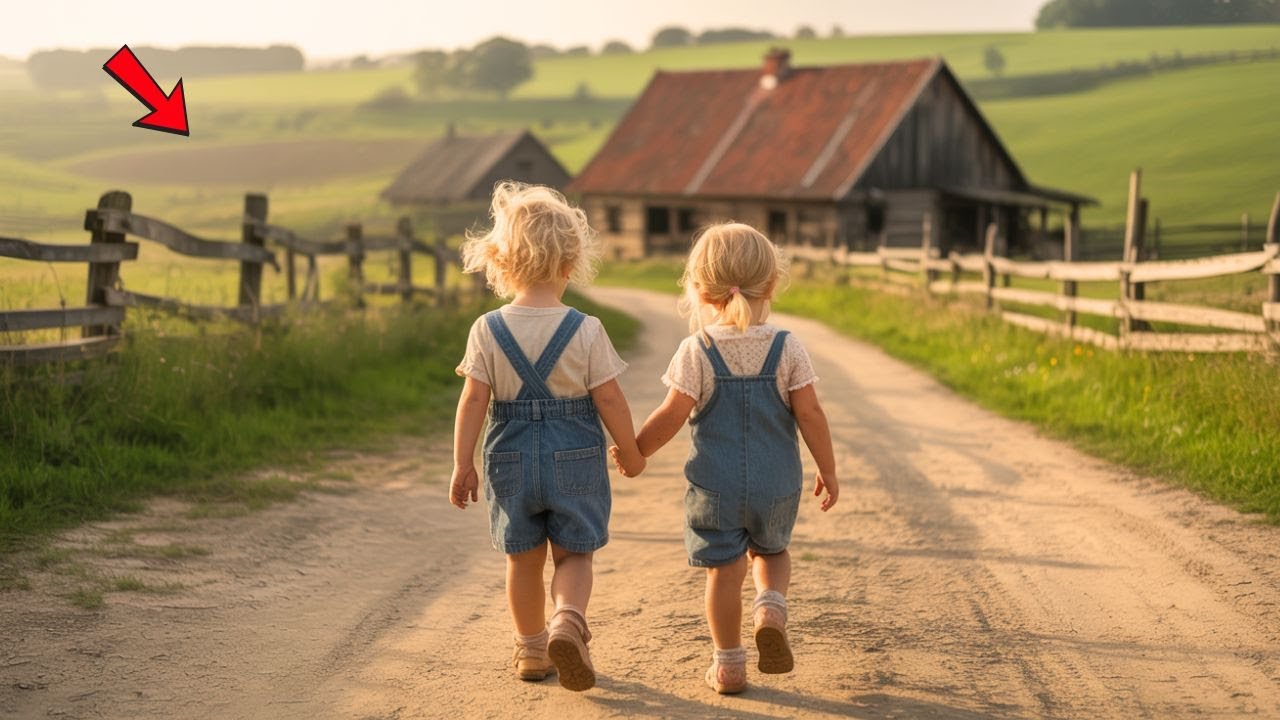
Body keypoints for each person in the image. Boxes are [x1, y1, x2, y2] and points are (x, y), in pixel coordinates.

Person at [613, 222, 838, 694]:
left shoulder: (697, 349)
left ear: (700, 290)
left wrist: (636, 452)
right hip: (776, 480)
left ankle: (729, 664)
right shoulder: (787, 347)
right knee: (771, 552)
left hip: (716, 485)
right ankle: (771, 606)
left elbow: (671, 414)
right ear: (772, 283)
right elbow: (811, 413)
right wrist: (828, 469)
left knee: (724, 571)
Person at [450, 182, 646, 692]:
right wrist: (630, 450)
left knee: (522, 558)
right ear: (570, 261)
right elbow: (610, 401)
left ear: (502, 260)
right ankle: (568, 622)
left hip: (509, 456)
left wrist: (462, 464)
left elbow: (472, 401)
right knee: (575, 553)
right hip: (575, 455)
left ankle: (533, 650)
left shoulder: (487, 329)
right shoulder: (586, 329)